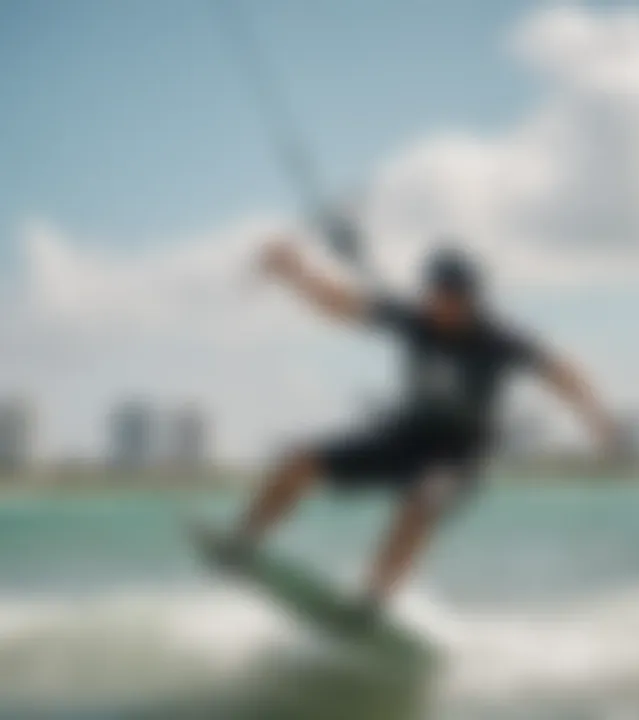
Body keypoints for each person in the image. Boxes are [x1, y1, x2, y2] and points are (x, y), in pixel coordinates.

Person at [201, 234, 615, 616]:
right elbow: (341, 305)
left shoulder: (499, 339)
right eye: (435, 293)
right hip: (404, 437)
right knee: (297, 463)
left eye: (452, 296)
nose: (441, 303)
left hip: (459, 457)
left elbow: (561, 372)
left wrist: (596, 417)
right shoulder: (414, 319)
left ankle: (371, 604)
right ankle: (242, 544)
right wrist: (295, 273)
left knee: (423, 500)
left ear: (472, 299)